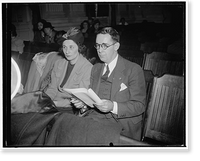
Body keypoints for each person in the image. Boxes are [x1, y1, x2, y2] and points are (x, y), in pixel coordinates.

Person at [71, 27, 146, 141]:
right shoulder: (96, 68)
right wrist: (84, 104)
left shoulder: (133, 69)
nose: (100, 50)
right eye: (97, 45)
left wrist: (113, 106)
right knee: (66, 126)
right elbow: (93, 99)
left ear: (116, 46)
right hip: (96, 119)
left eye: (104, 45)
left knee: (86, 135)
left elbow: (139, 106)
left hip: (120, 123)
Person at [45, 27, 93, 111]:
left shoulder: (87, 68)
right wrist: (46, 101)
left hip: (70, 107)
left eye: (71, 47)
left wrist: (56, 103)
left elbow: (80, 99)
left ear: (79, 47)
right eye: (64, 47)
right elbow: (52, 88)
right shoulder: (58, 63)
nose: (67, 51)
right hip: (53, 102)